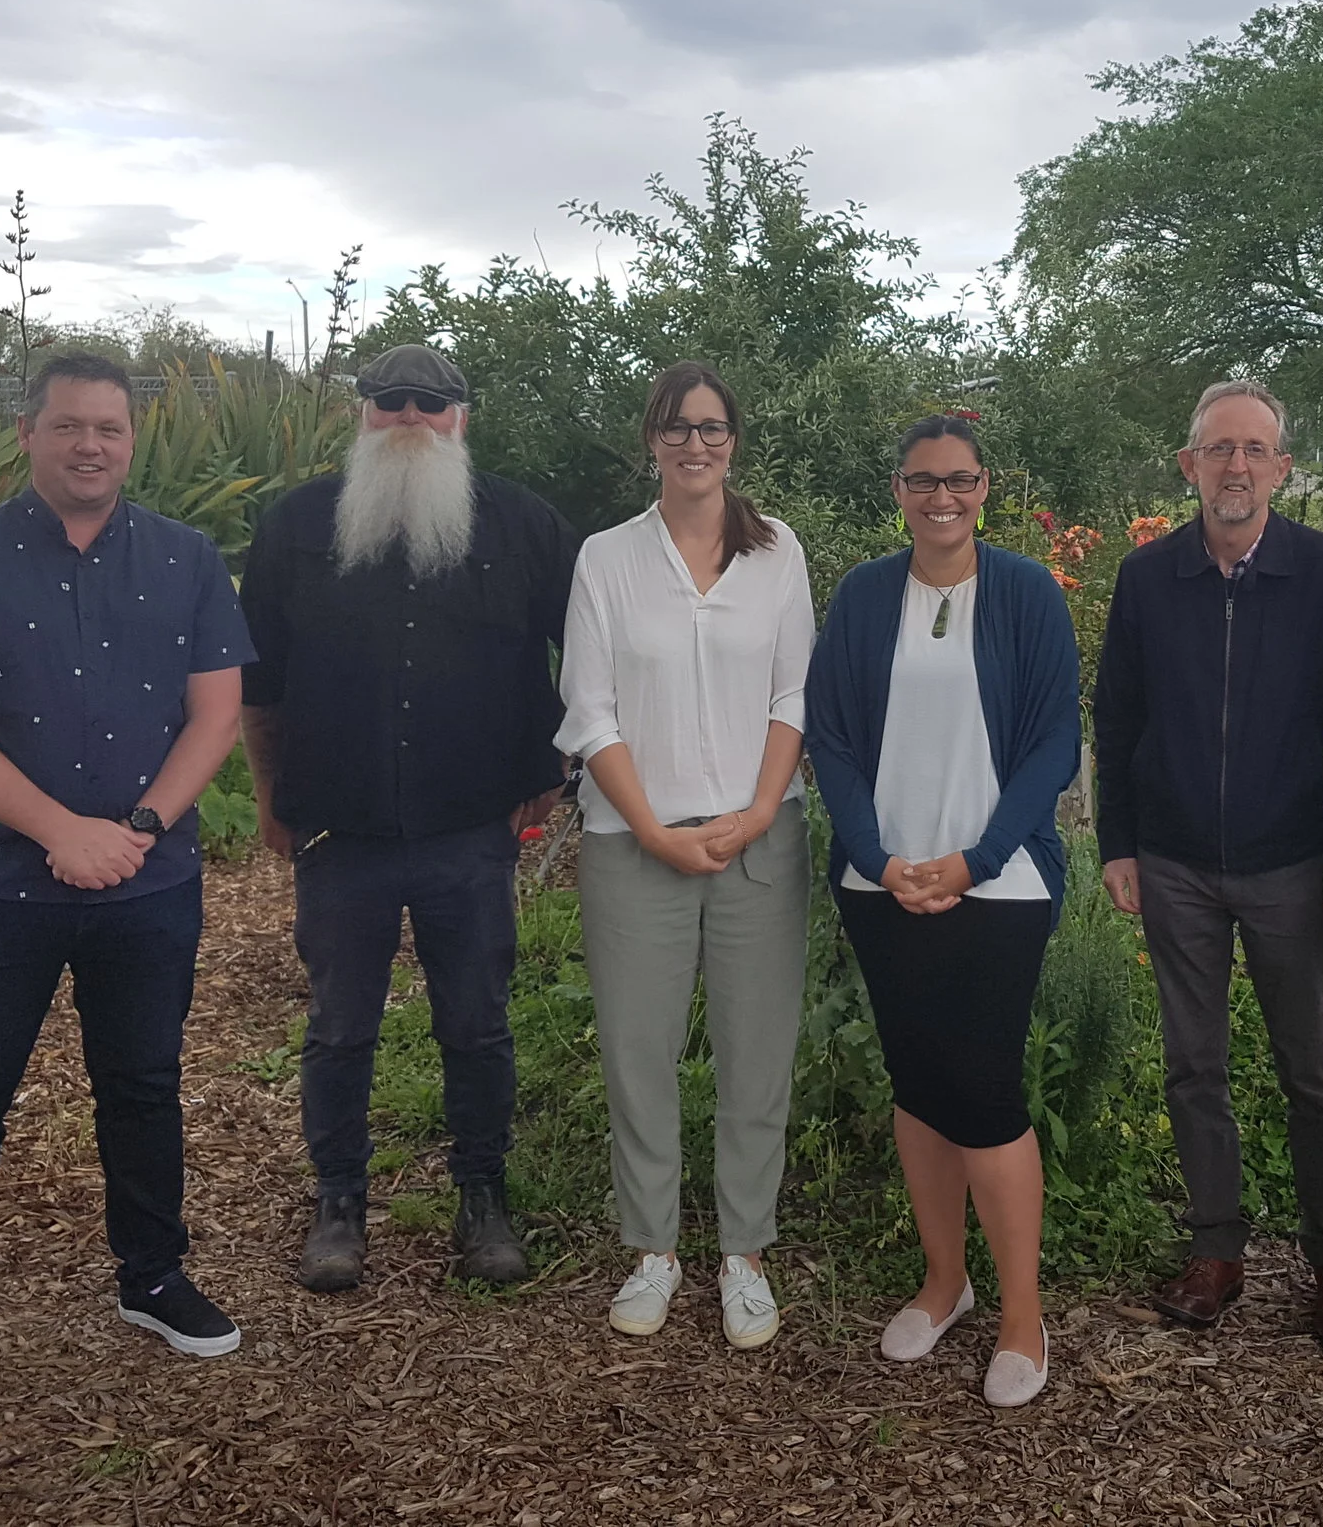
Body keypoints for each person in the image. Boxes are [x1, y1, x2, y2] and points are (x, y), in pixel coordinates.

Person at [0, 352, 254, 1410]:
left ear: (131, 441)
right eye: (69, 425)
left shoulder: (186, 559)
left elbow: (216, 713)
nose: (90, 445)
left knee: (143, 1086)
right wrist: (62, 832)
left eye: (108, 429)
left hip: (146, 881)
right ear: (27, 433)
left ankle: (153, 1277)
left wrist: (138, 828)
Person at [239, 345, 578, 1292]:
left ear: (461, 417)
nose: (410, 416)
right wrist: (268, 794)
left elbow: (591, 652)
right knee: (338, 1028)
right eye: (390, 400)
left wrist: (554, 764)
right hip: (338, 830)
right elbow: (258, 685)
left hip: (471, 828)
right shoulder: (297, 524)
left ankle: (483, 1197)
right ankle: (338, 1202)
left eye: (430, 402)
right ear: (363, 413)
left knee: (477, 1025)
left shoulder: (523, 523)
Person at [1093, 379, 1323, 1346]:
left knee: (1313, 1068)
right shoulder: (1148, 577)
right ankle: (1216, 1250)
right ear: (1189, 465)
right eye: (1220, 448)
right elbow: (1118, 719)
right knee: (1195, 1064)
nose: (1236, 466)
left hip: (1287, 865)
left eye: (1256, 449)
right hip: (1174, 862)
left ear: (1282, 468)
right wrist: (1119, 841)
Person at [805, 415, 1082, 1409]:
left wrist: (975, 860)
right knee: (918, 1082)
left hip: (999, 885)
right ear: (898, 491)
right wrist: (877, 859)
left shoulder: (1027, 593)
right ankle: (944, 1282)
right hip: (883, 884)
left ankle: (1021, 1314)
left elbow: (1054, 742)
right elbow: (831, 737)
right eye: (922, 481)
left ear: (984, 487)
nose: (941, 498)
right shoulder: (864, 594)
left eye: (958, 480)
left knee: (985, 1090)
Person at [555, 362, 816, 1350]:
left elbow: (793, 693)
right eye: (676, 427)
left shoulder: (777, 551)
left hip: (760, 839)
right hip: (635, 844)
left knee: (757, 1051)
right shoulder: (607, 559)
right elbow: (590, 711)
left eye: (710, 427)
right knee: (639, 1052)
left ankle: (744, 1254)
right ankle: (654, 1250)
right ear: (652, 441)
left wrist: (758, 812)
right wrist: (657, 830)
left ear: (733, 440)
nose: (694, 443)